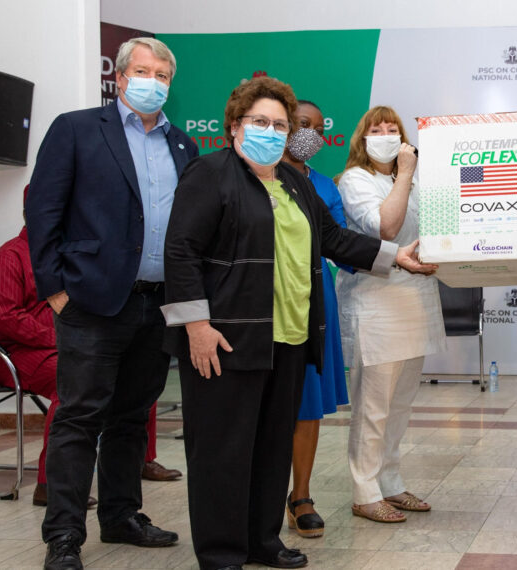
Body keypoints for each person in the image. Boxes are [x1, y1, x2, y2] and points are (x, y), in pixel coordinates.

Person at [161, 78, 435, 570]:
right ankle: (222, 553)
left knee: (269, 449)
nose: (271, 131)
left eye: (280, 125)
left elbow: (334, 239)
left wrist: (398, 258)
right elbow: (180, 252)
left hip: (288, 338)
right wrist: (196, 326)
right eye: (260, 122)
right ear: (234, 126)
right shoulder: (210, 174)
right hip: (227, 339)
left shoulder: (294, 182)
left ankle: (262, 541)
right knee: (223, 453)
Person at [26, 37, 196, 570]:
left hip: (156, 304)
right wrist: (55, 290)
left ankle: (122, 515)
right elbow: (43, 212)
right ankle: (64, 535)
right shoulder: (76, 129)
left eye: (163, 75)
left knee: (131, 418)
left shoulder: (184, 145)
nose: (153, 81)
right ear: (119, 78)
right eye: (143, 71)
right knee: (79, 419)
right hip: (91, 302)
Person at [0, 189, 180, 511]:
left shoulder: (70, 257)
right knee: (72, 380)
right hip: (17, 352)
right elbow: (5, 319)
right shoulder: (10, 256)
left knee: (138, 375)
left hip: (71, 343)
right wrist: (60, 338)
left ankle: (141, 461)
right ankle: (50, 484)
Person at [336, 106, 447, 524]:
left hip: (415, 299)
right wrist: (403, 174)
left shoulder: (415, 182)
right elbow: (386, 226)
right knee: (374, 404)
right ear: (362, 138)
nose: (385, 134)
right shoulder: (356, 179)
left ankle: (391, 481)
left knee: (400, 404)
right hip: (376, 303)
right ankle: (364, 490)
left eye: (392, 129)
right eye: (376, 129)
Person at [279, 99, 349, 539]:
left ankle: (300, 496)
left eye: (319, 129)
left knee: (306, 404)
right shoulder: (255, 176)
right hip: (267, 300)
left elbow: (342, 242)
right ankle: (261, 497)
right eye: (302, 124)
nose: (310, 134)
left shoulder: (325, 185)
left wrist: (393, 259)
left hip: (316, 299)